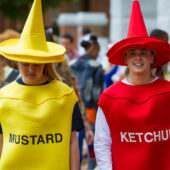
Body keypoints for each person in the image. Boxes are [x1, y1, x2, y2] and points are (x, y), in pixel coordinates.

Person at [0, 0, 84, 169]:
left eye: (36, 64)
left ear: (46, 62)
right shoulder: (4, 96)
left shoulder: (66, 95)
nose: (31, 69)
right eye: (25, 64)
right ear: (17, 62)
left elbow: (72, 140)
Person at [94, 1, 170, 170]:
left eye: (143, 53)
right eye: (132, 53)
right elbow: (102, 142)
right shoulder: (109, 97)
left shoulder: (168, 92)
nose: (138, 58)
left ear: (152, 57)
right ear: (126, 59)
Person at [71, 35, 104, 170]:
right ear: (94, 49)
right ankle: (90, 167)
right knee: (91, 141)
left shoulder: (72, 64)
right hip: (90, 109)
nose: (98, 54)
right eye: (98, 51)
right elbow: (97, 91)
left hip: (74, 107)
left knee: (76, 141)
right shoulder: (97, 66)